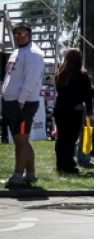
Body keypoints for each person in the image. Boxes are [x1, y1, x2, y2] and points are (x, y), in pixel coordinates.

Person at [2, 22, 44, 188]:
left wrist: (21, 100)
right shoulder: (17, 52)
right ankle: (30, 173)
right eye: (16, 34)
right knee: (21, 139)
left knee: (21, 141)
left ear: (30, 34)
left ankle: (18, 175)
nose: (19, 36)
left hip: (23, 104)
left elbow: (32, 80)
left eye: (22, 33)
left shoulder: (34, 53)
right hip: (12, 102)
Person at [52, 48, 94, 174]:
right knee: (71, 139)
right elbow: (86, 96)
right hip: (74, 110)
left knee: (61, 138)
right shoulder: (82, 76)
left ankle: (60, 163)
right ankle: (69, 164)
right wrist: (90, 112)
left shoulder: (60, 74)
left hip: (60, 109)